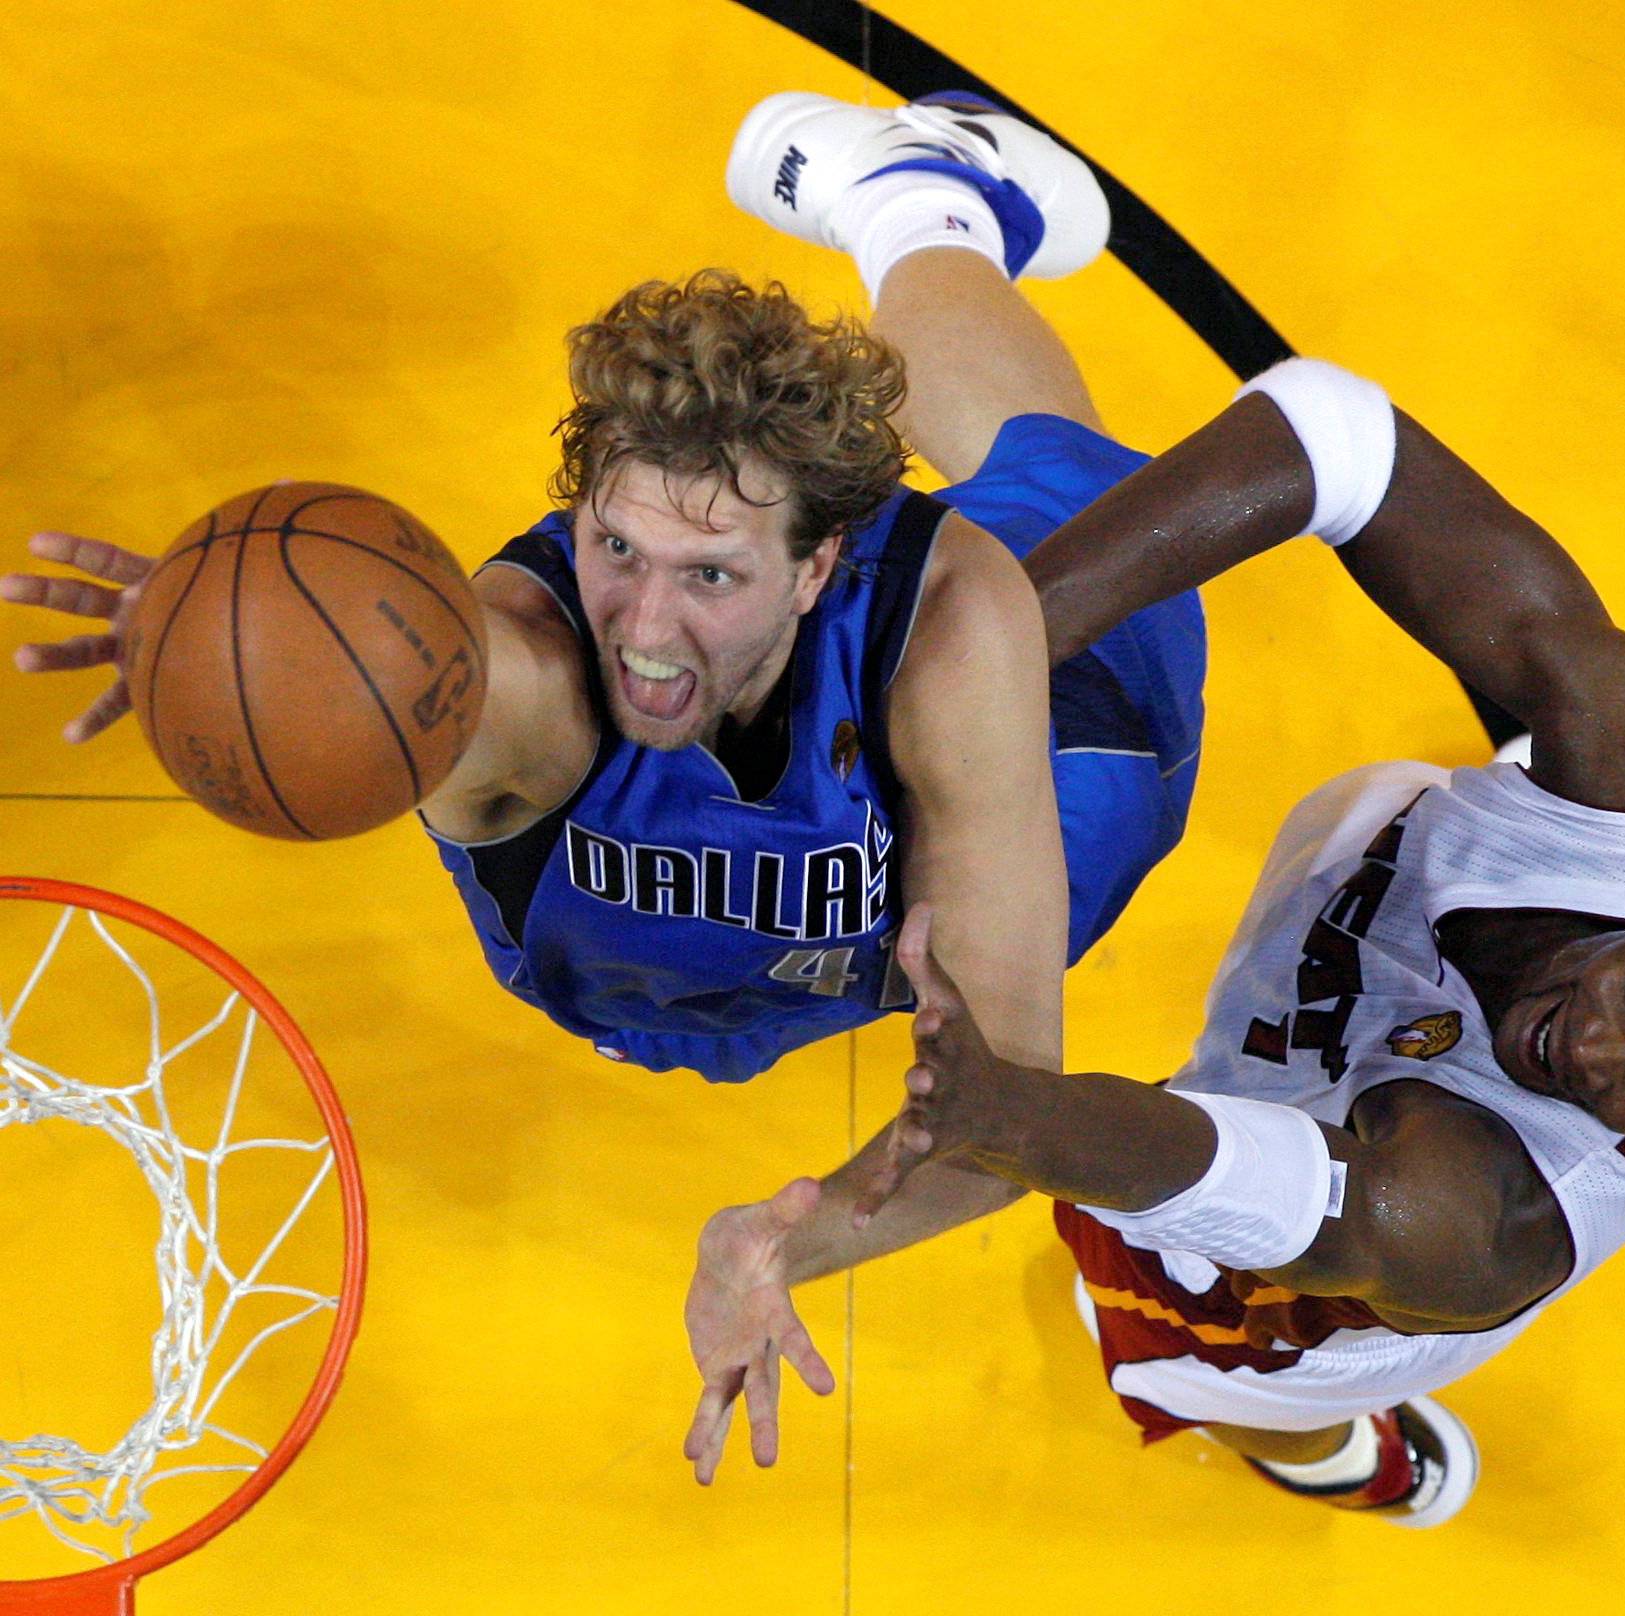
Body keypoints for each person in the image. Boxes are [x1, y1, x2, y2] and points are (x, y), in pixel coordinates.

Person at [680, 185, 1625, 1519]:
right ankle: (926, 210)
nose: (1594, 1050)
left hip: (1322, 1254)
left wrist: (934, 1154)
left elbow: (1198, 1163)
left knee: (1163, 1317)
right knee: (1049, 547)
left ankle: (1325, 1445)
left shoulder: (1482, 1217)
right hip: (1342, 874)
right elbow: (1337, 438)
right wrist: (988, 652)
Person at [2, 92, 1203, 1156]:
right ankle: (916, 206)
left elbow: (1013, 1090)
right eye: (616, 547)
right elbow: (404, 664)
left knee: (1063, 468)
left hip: (1046, 766)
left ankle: (918, 203)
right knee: (1047, 470)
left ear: (812, 568)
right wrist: (211, 645)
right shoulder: (522, 690)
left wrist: (792, 1243)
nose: (643, 624)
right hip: (696, 977)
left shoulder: (942, 620)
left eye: (712, 576)